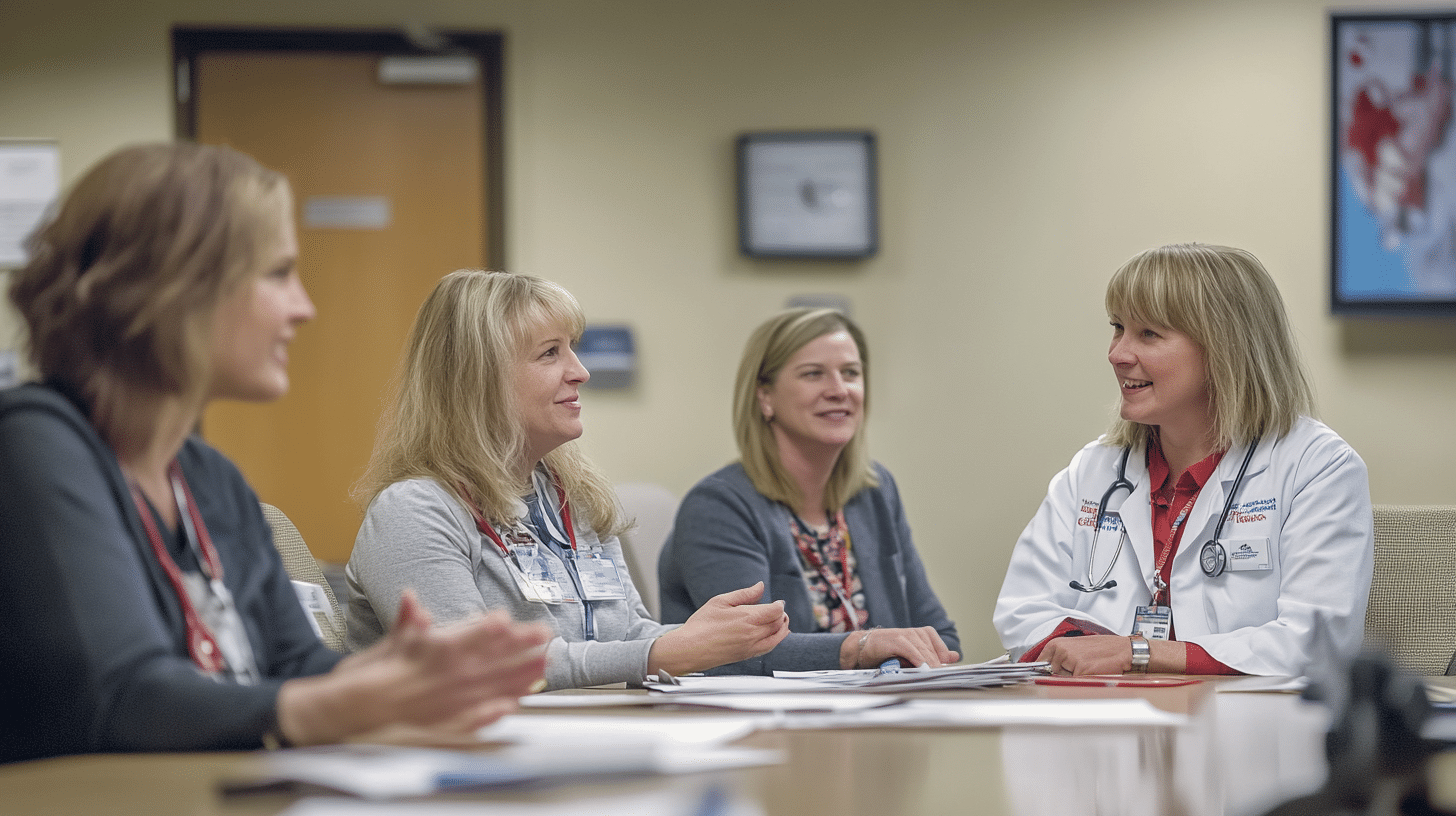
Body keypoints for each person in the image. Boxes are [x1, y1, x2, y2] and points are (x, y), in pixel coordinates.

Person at [0, 143, 551, 764]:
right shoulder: (32, 447)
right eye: (279, 274)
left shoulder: (209, 478)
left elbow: (297, 664)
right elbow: (122, 698)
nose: (303, 309)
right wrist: (335, 707)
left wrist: (399, 676)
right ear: (175, 286)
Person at [345, 270, 790, 690]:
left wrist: (703, 636)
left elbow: (629, 635)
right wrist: (661, 653)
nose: (580, 371)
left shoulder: (572, 499)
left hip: (584, 732)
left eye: (571, 348)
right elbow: (471, 667)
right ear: (477, 377)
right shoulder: (414, 510)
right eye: (550, 353)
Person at [993, 243, 1373, 677]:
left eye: (1148, 334)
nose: (1117, 354)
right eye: (1118, 327)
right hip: (1105, 710)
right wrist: (1090, 655)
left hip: (1246, 717)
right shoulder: (1094, 471)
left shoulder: (1316, 467)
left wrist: (1140, 653)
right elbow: (1024, 610)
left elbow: (1317, 642)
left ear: (1224, 348)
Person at [657, 308, 960, 674]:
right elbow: (746, 652)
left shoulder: (876, 492)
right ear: (765, 397)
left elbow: (939, 637)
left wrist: (904, 656)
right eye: (814, 374)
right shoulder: (718, 506)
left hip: (878, 706)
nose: (839, 390)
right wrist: (863, 648)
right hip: (759, 710)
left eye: (851, 373)